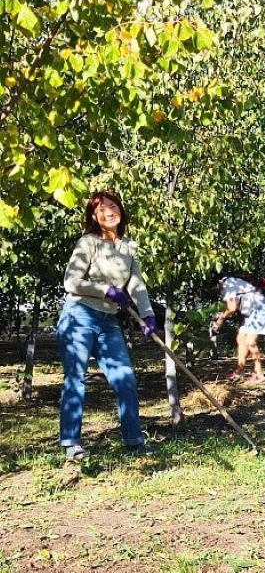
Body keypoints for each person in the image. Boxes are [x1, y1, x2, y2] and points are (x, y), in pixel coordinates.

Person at [57, 191, 157, 462]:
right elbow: (71, 282)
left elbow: (136, 284)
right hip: (79, 315)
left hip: (108, 321)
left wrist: (147, 315)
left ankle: (134, 440)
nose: (109, 212)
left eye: (113, 206)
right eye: (102, 209)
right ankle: (71, 443)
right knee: (76, 379)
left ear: (121, 211)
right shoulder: (88, 243)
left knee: (125, 379)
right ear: (94, 216)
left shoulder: (128, 248)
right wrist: (106, 290)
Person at [211, 275, 265, 384]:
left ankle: (259, 374)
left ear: (219, 282)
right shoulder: (231, 283)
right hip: (250, 312)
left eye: (217, 288)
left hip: (259, 308)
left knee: (250, 342)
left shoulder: (228, 283)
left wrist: (220, 320)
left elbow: (232, 308)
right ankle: (239, 371)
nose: (218, 291)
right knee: (241, 339)